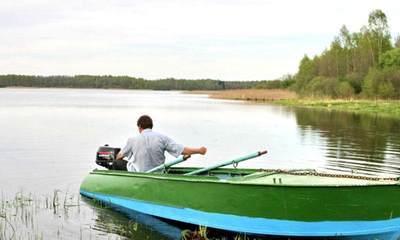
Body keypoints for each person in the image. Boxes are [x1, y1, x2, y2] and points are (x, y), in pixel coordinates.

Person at [113, 115, 207, 172]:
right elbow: (181, 150)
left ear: (140, 126)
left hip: (139, 174)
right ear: (151, 126)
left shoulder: (132, 140)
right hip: (158, 173)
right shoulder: (162, 138)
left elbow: (119, 157)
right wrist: (199, 150)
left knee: (116, 162)